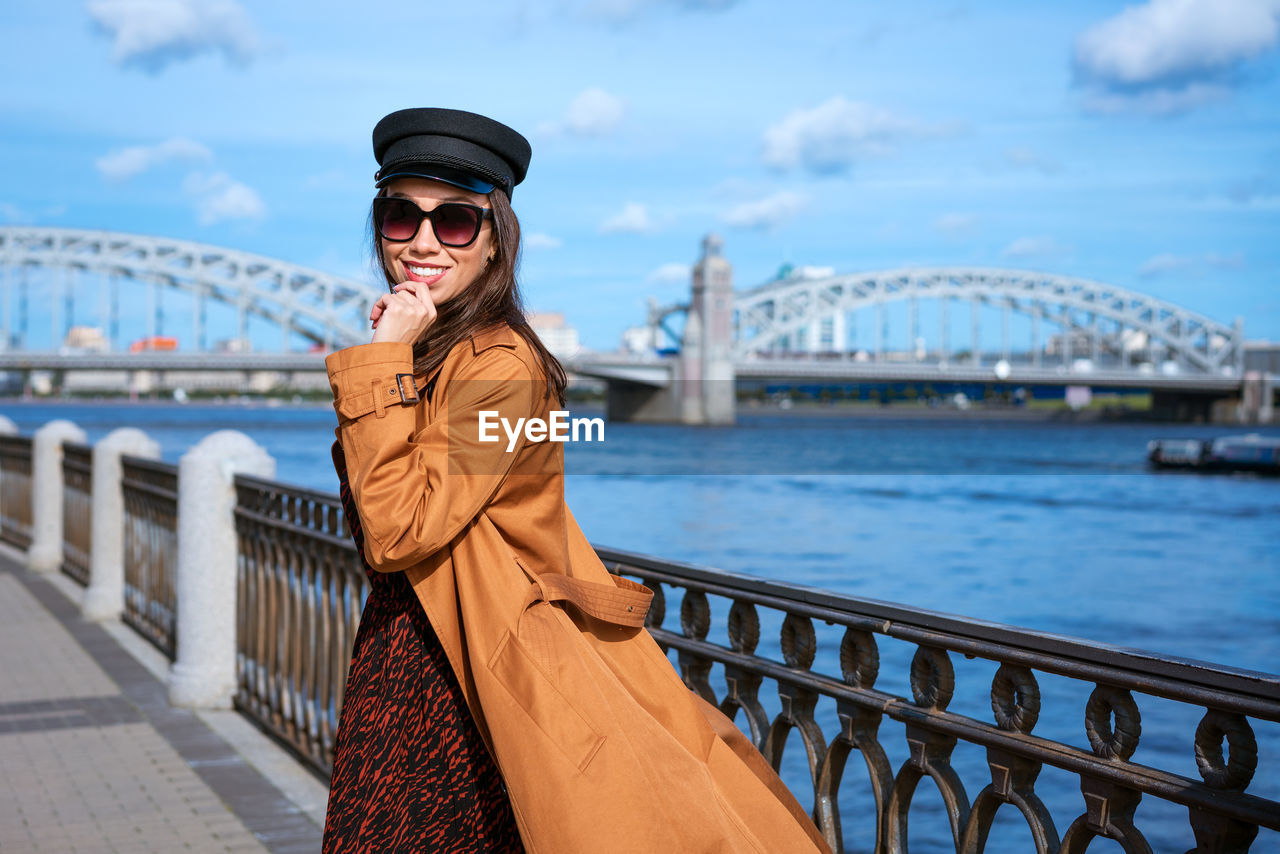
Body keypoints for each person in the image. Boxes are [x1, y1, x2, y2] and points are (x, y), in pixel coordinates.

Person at [323, 107, 831, 853]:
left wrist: (379, 366)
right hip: (414, 650)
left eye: (454, 221)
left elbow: (399, 531)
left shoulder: (503, 372)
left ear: (496, 239)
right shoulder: (434, 354)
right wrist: (395, 360)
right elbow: (379, 518)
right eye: (401, 215)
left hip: (467, 678)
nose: (423, 241)